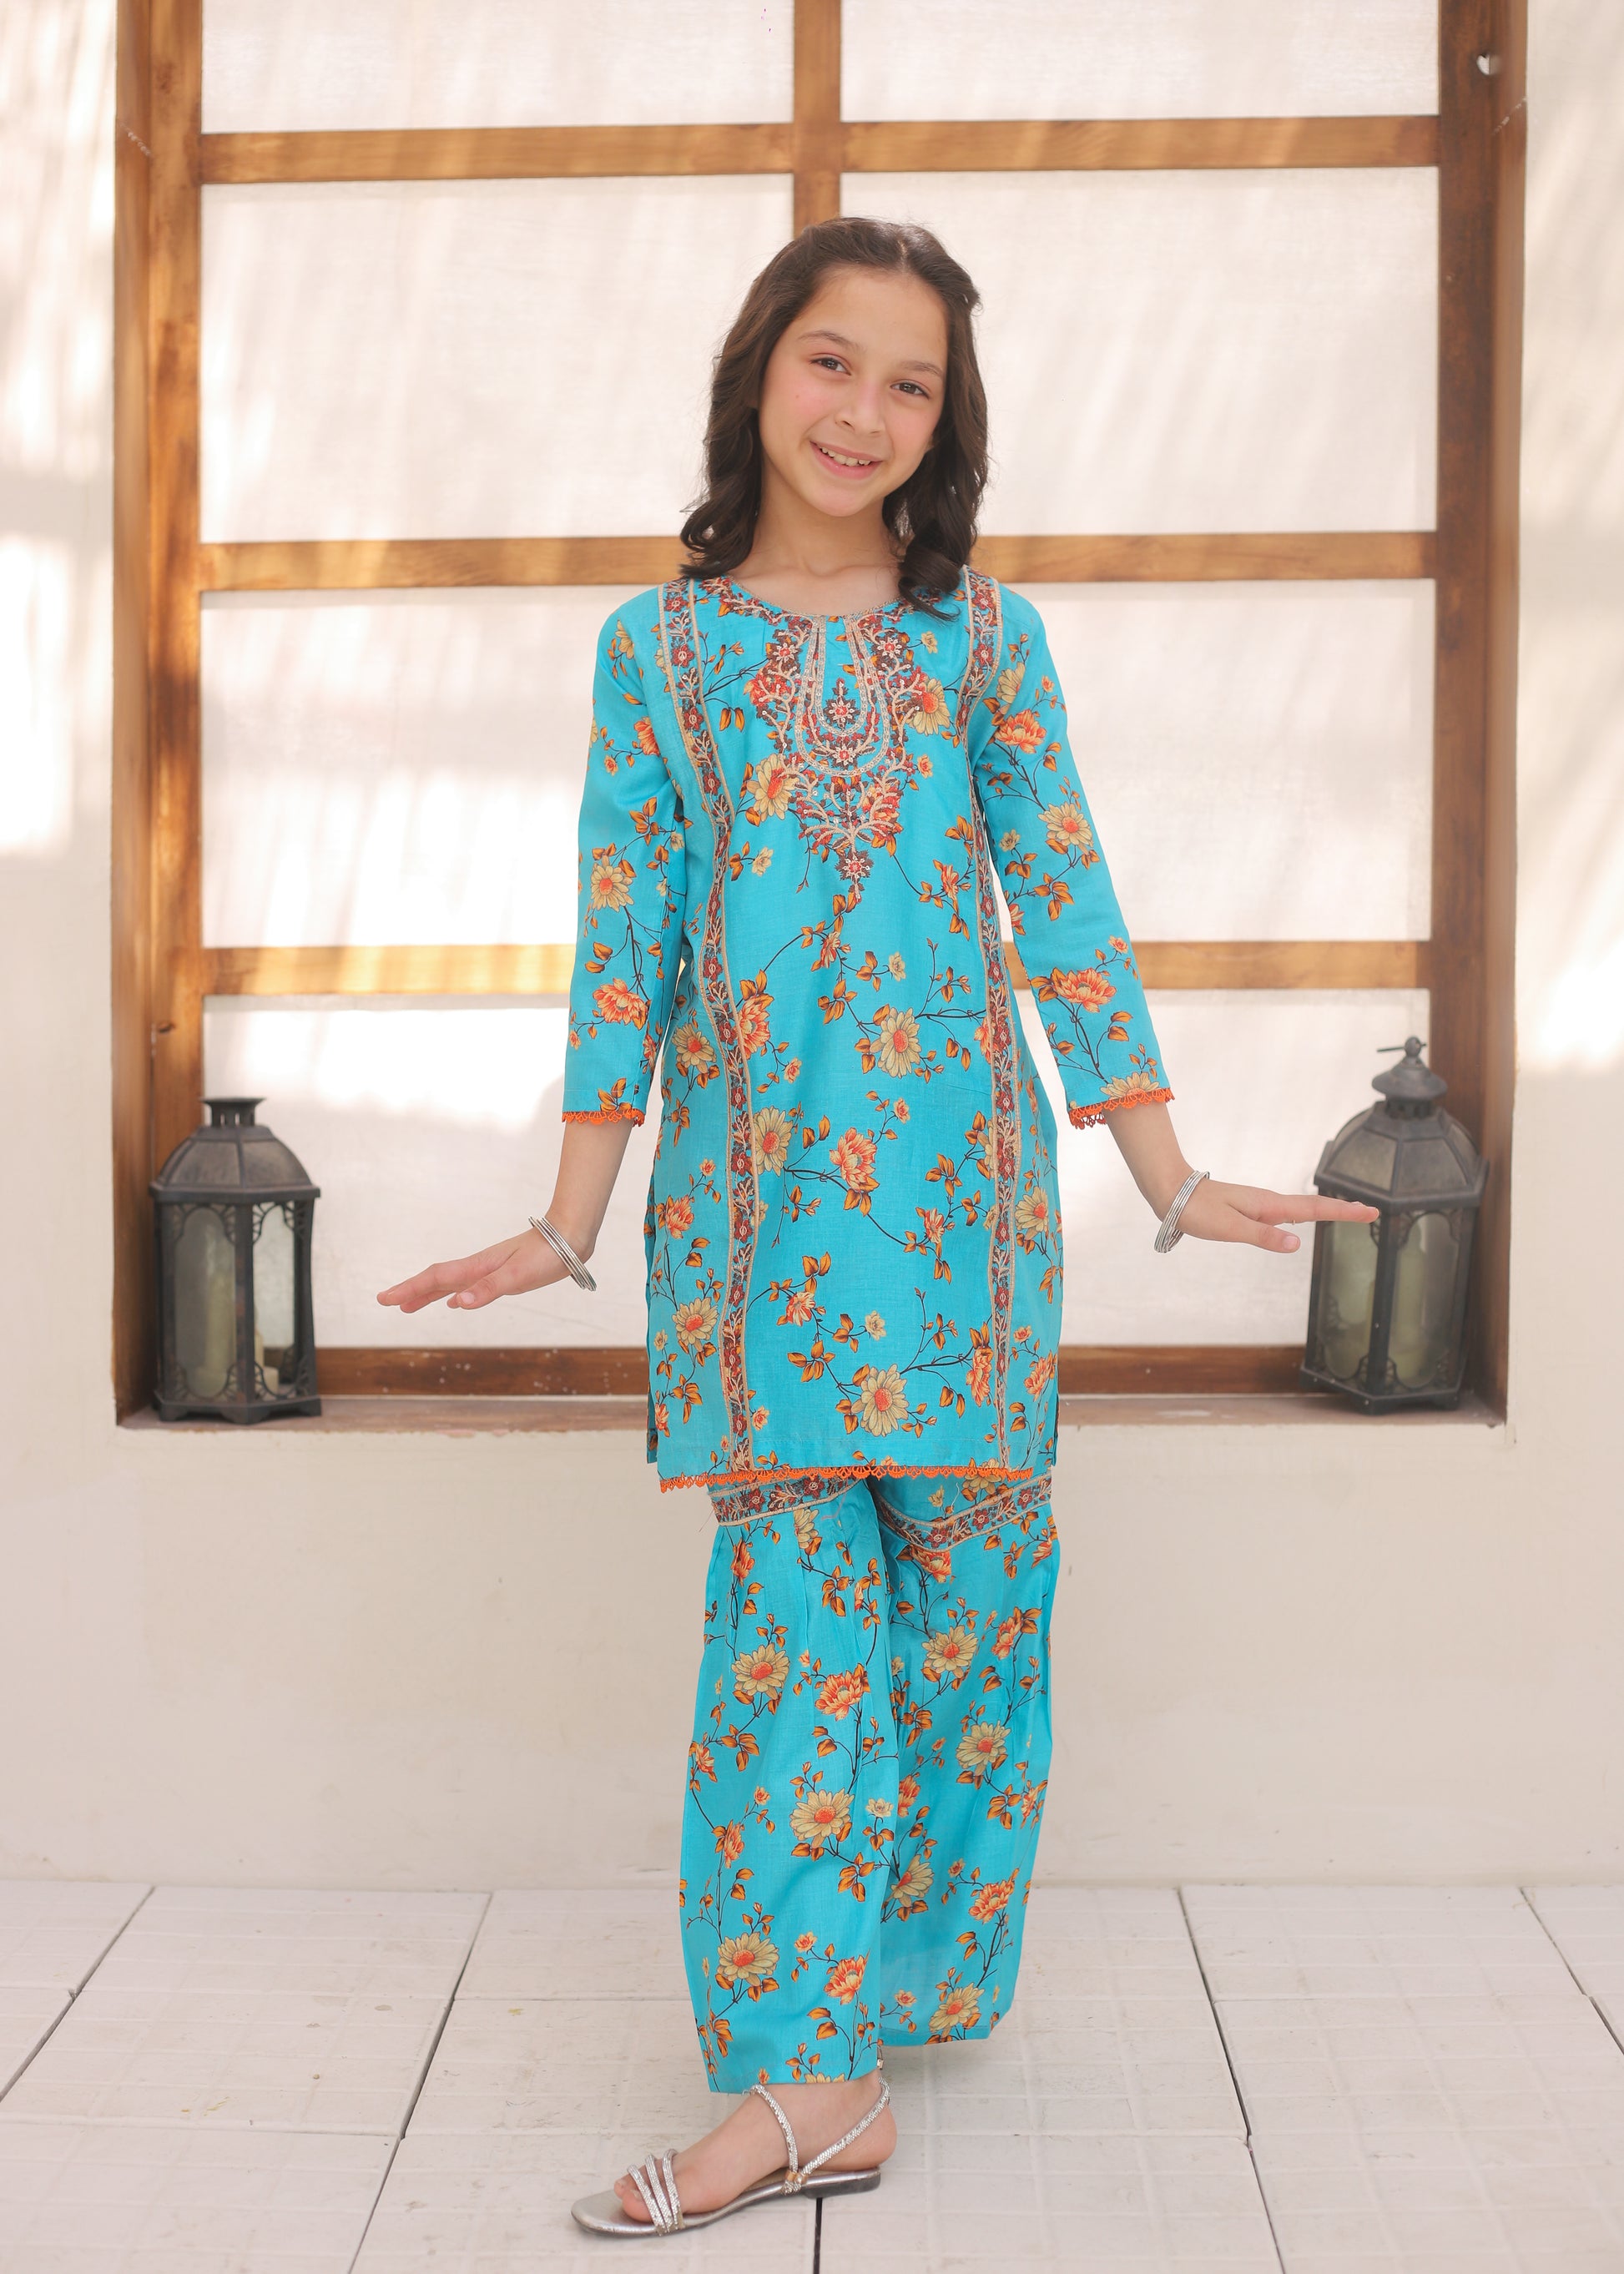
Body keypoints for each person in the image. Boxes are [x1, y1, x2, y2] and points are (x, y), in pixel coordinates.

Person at [378, 214, 1379, 2239]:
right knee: (789, 1645)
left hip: (967, 1228)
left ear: (949, 422)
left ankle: (875, 2018)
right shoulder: (656, 651)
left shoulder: (981, 639)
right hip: (756, 1235)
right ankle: (803, 2080)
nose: (862, 411)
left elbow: (1064, 900)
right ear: (760, 368)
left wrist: (1168, 1176)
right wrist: (569, 1224)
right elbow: (623, 945)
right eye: (831, 361)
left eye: (910, 383)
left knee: (969, 1631)